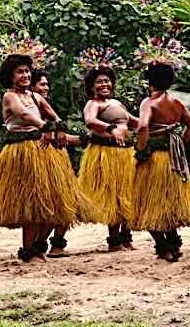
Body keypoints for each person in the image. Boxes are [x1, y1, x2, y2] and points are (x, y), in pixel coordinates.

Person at [0, 54, 96, 263]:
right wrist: (45, 126)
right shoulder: (10, 97)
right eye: (20, 71)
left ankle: (38, 247)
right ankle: (28, 251)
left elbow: (53, 115)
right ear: (10, 76)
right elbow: (25, 115)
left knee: (51, 202)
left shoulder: (36, 97)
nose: (26, 75)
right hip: (22, 153)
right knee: (32, 202)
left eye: (27, 71)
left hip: (42, 151)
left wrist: (59, 127)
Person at [129, 62, 190, 262]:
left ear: (149, 82)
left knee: (148, 204)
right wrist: (179, 144)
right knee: (169, 202)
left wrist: (141, 150)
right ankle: (174, 242)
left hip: (154, 160)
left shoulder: (149, 102)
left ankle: (163, 246)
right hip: (173, 159)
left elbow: (142, 127)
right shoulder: (176, 102)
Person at [76, 66, 138, 251]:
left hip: (125, 154)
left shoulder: (117, 103)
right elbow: (90, 121)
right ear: (92, 86)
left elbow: (132, 121)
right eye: (99, 82)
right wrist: (111, 128)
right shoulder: (93, 104)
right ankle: (114, 240)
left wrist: (152, 123)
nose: (104, 84)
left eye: (107, 81)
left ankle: (126, 237)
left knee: (126, 194)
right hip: (106, 154)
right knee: (113, 196)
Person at [29, 69, 81, 257]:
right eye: (42, 84)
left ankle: (53, 244)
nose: (46, 88)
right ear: (32, 86)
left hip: (57, 159)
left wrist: (86, 139)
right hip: (42, 157)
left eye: (47, 84)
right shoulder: (31, 104)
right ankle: (38, 245)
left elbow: (60, 135)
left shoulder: (43, 106)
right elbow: (45, 135)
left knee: (67, 204)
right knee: (53, 204)